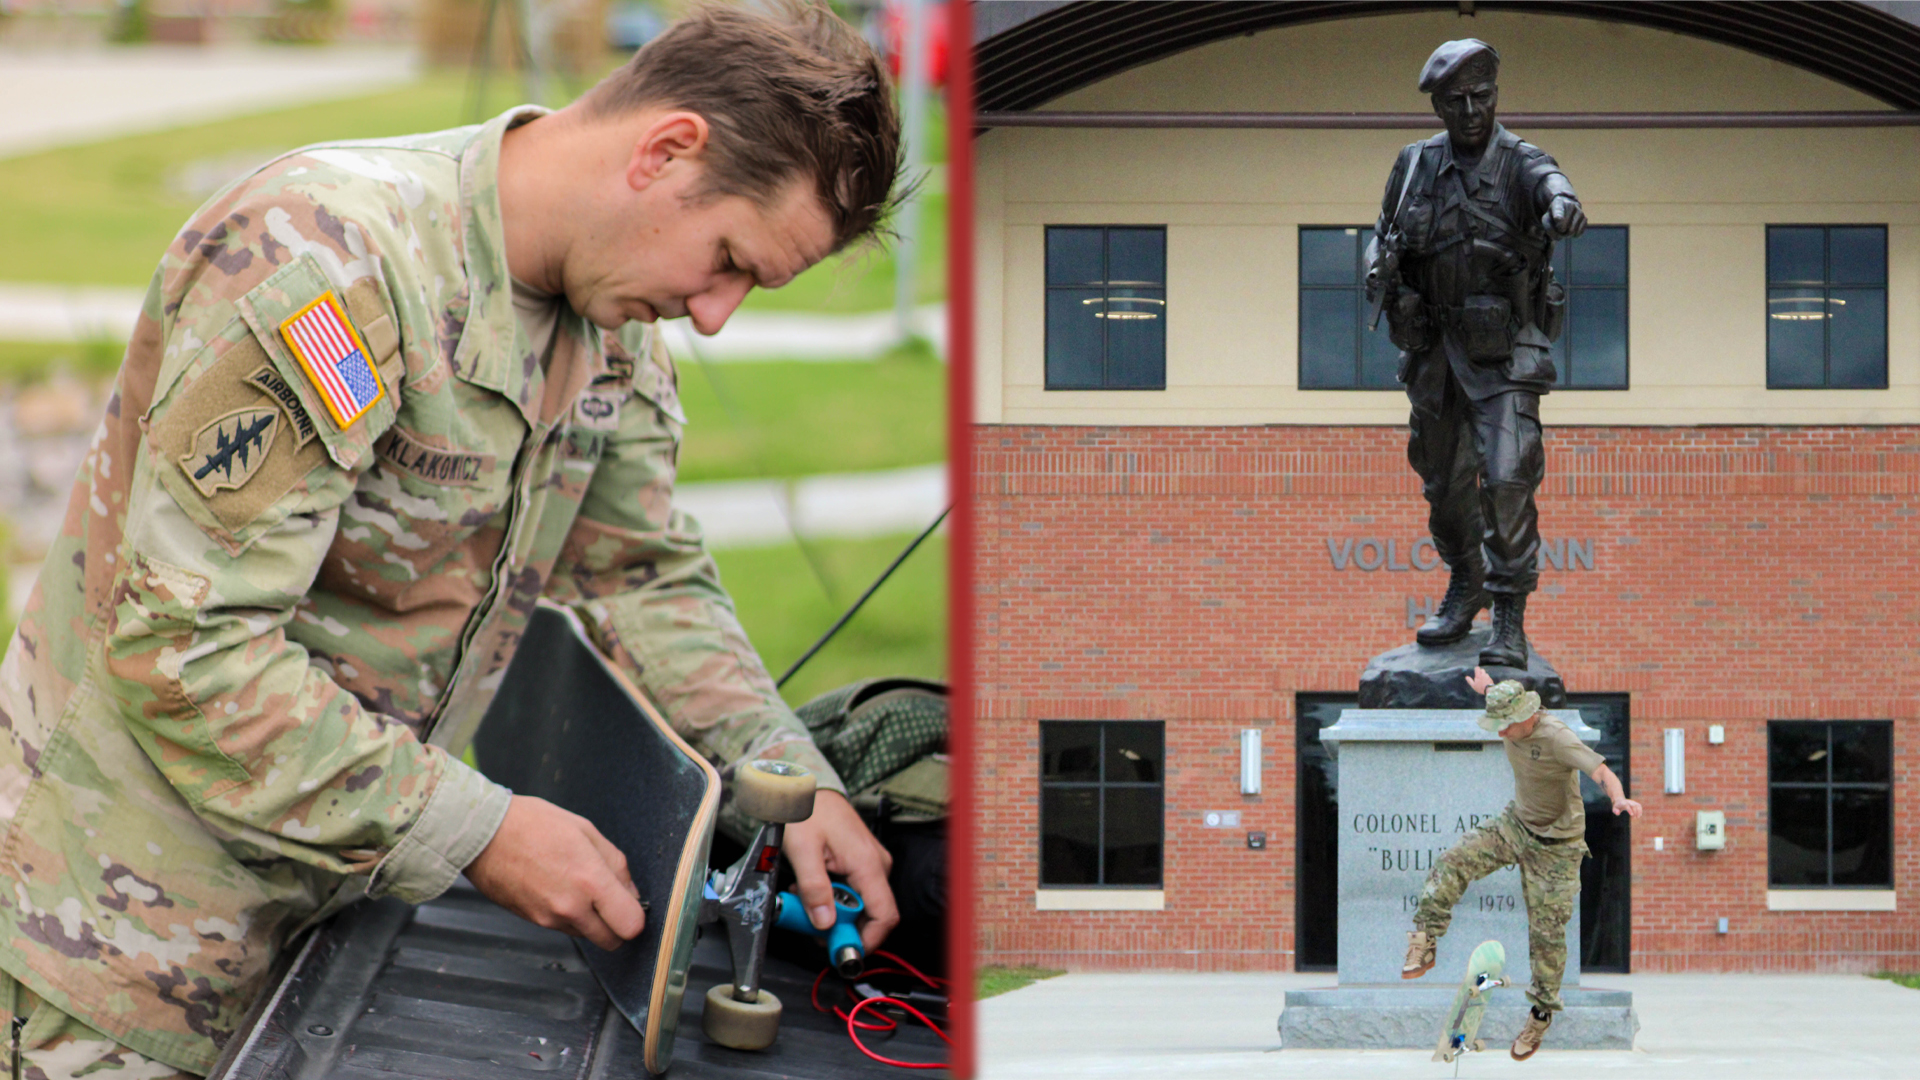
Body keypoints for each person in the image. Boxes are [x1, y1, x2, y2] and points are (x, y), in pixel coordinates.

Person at [0, 2, 907, 1074]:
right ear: (667, 151)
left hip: (327, 918)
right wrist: (481, 828)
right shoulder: (330, 263)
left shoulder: (615, 330)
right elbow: (189, 655)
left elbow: (638, 579)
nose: (717, 315)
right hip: (116, 942)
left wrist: (783, 775)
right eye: (730, 262)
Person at [1366, 38, 1586, 668]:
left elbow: (1555, 188)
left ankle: (1509, 617)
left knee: (1511, 479)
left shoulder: (1521, 163)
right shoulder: (1412, 165)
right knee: (1444, 486)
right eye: (1456, 101)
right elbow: (1381, 237)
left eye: (1481, 97)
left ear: (1495, 96)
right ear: (1437, 106)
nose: (1470, 111)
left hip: (1504, 352)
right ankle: (1465, 584)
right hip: (1435, 352)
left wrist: (1563, 207)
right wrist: (1383, 276)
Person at [1400, 669, 1641, 1060]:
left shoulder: (1557, 737)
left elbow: (1600, 771)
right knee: (1454, 860)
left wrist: (1618, 799)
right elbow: (1496, 694)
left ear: (1526, 717)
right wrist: (1486, 687)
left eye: (1504, 727)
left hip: (1558, 847)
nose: (1499, 734)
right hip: (1517, 825)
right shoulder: (1508, 707)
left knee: (1547, 933)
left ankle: (1541, 1014)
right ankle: (1425, 941)